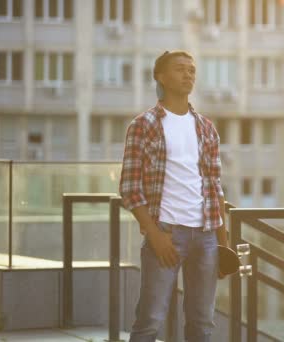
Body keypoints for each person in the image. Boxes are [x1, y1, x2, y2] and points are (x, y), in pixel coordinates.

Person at [119, 50, 228, 342]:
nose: (188, 74)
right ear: (161, 76)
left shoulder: (206, 128)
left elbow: (215, 188)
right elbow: (130, 188)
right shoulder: (144, 125)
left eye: (192, 70)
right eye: (180, 69)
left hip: (206, 237)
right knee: (150, 320)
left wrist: (223, 244)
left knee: (202, 322)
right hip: (166, 233)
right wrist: (154, 235)